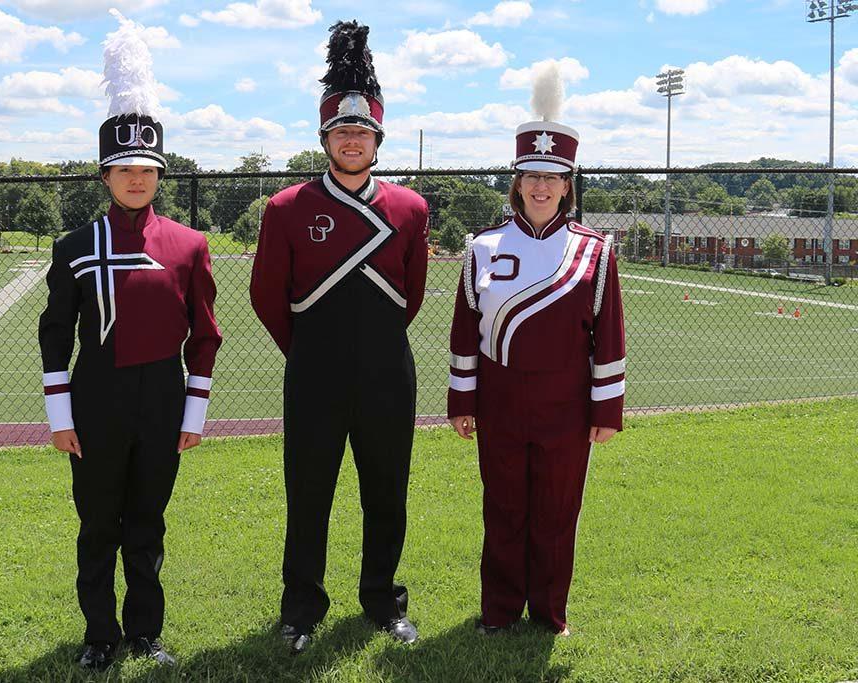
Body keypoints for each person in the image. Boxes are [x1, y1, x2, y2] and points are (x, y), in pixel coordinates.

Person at [38, 11, 221, 670]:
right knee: (98, 525)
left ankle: (145, 631)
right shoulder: (74, 248)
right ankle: (99, 635)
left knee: (147, 524)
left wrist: (192, 413)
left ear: (160, 172)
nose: (136, 178)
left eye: (146, 167)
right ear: (105, 175)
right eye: (123, 168)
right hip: (97, 396)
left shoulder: (189, 245)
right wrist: (62, 418)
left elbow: (205, 335)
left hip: (164, 395)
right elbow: (55, 335)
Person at [250, 20, 429, 654]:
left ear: (378, 139)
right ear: (325, 138)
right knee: (309, 493)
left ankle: (383, 601)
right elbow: (267, 299)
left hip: (388, 373)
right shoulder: (286, 207)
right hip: (314, 373)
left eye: (363, 132)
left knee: (387, 492)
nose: (352, 140)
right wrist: (310, 352)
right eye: (341, 131)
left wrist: (372, 347)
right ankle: (301, 607)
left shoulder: (410, 208)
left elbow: (412, 295)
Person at [446, 117, 625, 637]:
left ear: (567, 185)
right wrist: (463, 401)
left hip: (566, 405)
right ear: (517, 183)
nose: (541, 187)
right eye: (531, 176)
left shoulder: (595, 249)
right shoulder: (481, 246)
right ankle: (499, 612)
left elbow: (608, 338)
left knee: (556, 512)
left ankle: (549, 614)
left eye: (552, 177)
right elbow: (465, 332)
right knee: (502, 507)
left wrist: (606, 411)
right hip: (499, 400)